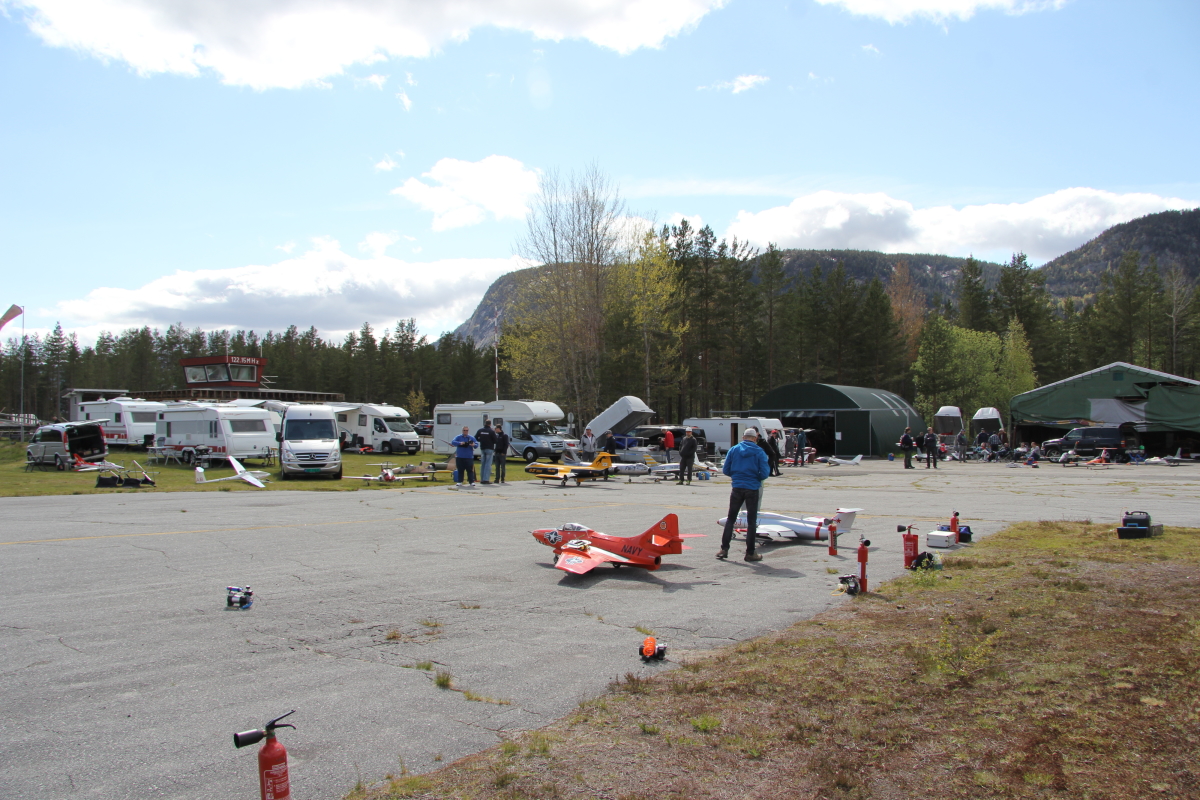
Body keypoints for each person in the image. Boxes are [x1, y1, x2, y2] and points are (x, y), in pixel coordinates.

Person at [718, 427, 771, 562]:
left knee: (731, 519)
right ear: (755, 438)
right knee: (751, 521)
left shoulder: (734, 450)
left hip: (737, 487)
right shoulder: (759, 451)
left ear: (743, 437)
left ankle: (724, 549)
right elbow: (765, 473)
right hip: (752, 488)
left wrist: (737, 476)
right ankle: (750, 552)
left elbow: (726, 469)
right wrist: (755, 478)